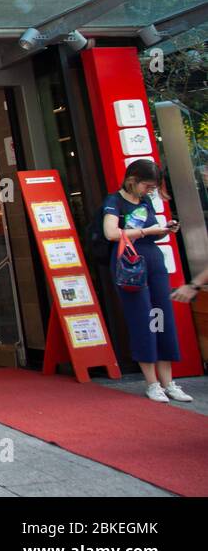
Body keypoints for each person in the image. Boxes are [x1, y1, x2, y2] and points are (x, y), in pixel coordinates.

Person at [102, 159, 190, 403]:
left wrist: (164, 230)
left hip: (152, 260)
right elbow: (111, 233)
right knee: (142, 318)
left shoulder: (146, 201)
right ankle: (152, 383)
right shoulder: (114, 201)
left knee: (161, 316)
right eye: (147, 186)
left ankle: (168, 382)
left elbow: (151, 230)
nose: (150, 191)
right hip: (130, 264)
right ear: (133, 180)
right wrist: (147, 232)